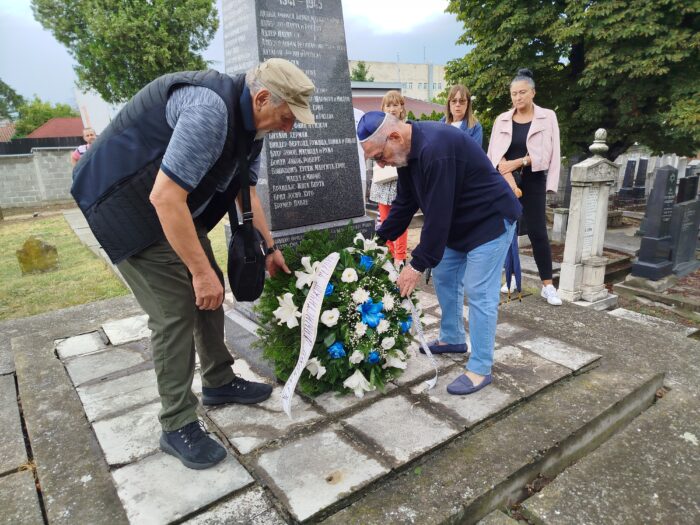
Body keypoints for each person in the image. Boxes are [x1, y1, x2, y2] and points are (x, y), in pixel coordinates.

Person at [71, 59, 315, 470]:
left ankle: (219, 380)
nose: (289, 129)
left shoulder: (252, 127)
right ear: (261, 98)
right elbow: (165, 197)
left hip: (173, 207)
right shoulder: (209, 111)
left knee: (212, 288)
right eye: (287, 117)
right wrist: (197, 273)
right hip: (125, 206)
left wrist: (270, 247)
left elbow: (245, 190)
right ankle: (177, 422)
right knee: (175, 310)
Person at [357, 111, 521, 396]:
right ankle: (453, 337)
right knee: (444, 275)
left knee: (479, 291)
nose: (380, 164)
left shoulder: (436, 150)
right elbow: (405, 202)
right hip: (459, 223)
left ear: (394, 137)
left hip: (490, 221)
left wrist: (415, 266)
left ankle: (480, 367)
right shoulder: (406, 153)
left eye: (379, 156)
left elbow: (437, 216)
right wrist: (378, 240)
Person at [487, 68, 562, 306]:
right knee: (504, 230)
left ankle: (548, 285)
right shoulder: (502, 119)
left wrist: (520, 162)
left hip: (533, 178)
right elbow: (493, 152)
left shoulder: (547, 117)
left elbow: (551, 153)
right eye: (514, 93)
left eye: (522, 92)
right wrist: (503, 168)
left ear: (532, 93)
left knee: (537, 231)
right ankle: (508, 277)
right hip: (507, 180)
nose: (518, 97)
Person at [368, 90, 409, 267]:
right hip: (383, 182)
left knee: (401, 220)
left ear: (401, 108)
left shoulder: (406, 128)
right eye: (388, 105)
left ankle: (400, 256)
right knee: (385, 220)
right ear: (383, 108)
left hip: (400, 181)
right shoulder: (378, 128)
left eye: (395, 105)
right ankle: (389, 255)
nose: (392, 109)